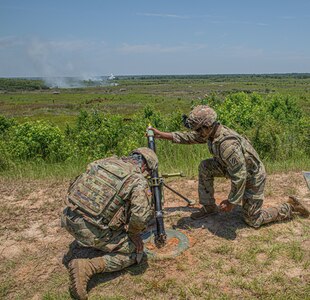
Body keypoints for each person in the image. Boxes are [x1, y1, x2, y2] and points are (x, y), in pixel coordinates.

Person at [149, 105, 309, 227]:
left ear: (207, 127)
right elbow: (190, 137)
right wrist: (163, 135)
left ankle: (290, 208)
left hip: (252, 175)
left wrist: (232, 201)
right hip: (232, 168)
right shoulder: (212, 133)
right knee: (205, 166)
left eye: (198, 129)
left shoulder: (227, 145)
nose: (197, 132)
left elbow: (240, 176)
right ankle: (209, 207)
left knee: (253, 219)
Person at [61, 147, 158, 300]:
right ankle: (87, 267)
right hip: (90, 231)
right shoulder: (137, 180)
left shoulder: (103, 162)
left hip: (68, 217)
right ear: (146, 166)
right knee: (135, 251)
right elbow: (139, 216)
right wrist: (134, 234)